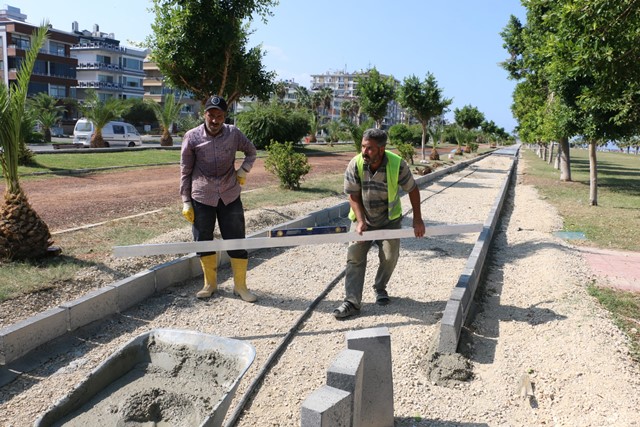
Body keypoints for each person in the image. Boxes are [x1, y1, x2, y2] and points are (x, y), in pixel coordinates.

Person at [333, 128, 425, 319]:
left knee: (390, 257)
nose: (364, 152)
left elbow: (413, 189)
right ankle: (352, 302)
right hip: (362, 219)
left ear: (381, 149)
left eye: (369, 148)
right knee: (354, 257)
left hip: (389, 220)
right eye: (363, 147)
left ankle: (380, 287)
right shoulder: (355, 163)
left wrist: (417, 219)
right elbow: (353, 195)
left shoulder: (397, 164)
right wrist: (360, 221)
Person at [180, 95, 258, 302]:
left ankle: (240, 287)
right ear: (204, 114)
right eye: (211, 115)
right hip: (202, 196)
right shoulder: (192, 137)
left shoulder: (234, 134)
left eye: (219, 116)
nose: (215, 120)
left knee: (236, 240)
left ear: (225, 116)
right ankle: (210, 284)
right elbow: (185, 171)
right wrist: (186, 201)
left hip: (229, 194)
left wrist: (243, 171)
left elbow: (251, 152)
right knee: (203, 240)